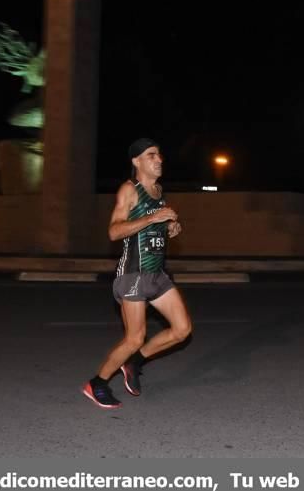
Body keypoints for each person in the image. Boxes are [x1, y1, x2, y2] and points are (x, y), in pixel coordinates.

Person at [82, 138, 193, 409]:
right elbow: (114, 231)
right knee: (134, 337)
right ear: (137, 162)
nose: (159, 159)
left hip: (157, 275)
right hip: (132, 275)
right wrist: (151, 219)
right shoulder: (129, 190)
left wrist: (169, 229)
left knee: (182, 330)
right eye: (151, 155)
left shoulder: (158, 191)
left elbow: (153, 230)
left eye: (160, 154)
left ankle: (135, 362)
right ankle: (97, 384)